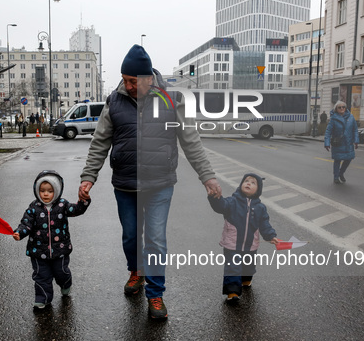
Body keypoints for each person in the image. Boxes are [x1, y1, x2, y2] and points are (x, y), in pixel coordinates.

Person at [78, 44, 222, 320]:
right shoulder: (114, 100)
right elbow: (100, 142)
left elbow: (190, 141)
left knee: (155, 239)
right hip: (125, 183)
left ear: (147, 79)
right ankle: (136, 271)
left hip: (160, 184)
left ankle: (155, 294)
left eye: (132, 80)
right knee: (131, 236)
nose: (127, 85)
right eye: (124, 79)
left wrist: (208, 176)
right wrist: (88, 177)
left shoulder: (171, 99)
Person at [12, 170, 90, 309]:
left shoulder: (62, 205)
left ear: (57, 190)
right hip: (38, 250)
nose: (45, 194)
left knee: (62, 272)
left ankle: (66, 284)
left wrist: (83, 201)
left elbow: (76, 209)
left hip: (59, 250)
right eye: (42, 191)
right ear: (37, 191)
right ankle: (42, 299)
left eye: (49, 190)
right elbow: (26, 223)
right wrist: (19, 233)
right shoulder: (33, 207)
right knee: (41, 276)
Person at [208, 173, 279, 303]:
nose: (248, 183)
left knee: (248, 265)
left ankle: (246, 279)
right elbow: (220, 206)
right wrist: (214, 197)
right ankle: (233, 292)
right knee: (233, 267)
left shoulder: (260, 207)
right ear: (241, 184)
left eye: (253, 183)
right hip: (232, 243)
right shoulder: (232, 201)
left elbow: (264, 224)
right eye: (246, 181)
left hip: (251, 244)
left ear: (258, 190)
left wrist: (271, 236)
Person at [324, 101, 359, 184]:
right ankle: (336, 177)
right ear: (336, 109)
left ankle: (341, 173)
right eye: (339, 107)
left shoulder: (351, 117)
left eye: (343, 107)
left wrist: (356, 140)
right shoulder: (333, 118)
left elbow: (355, 130)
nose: (342, 108)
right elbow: (328, 131)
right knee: (337, 160)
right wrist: (327, 143)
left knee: (348, 159)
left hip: (348, 143)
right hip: (338, 142)